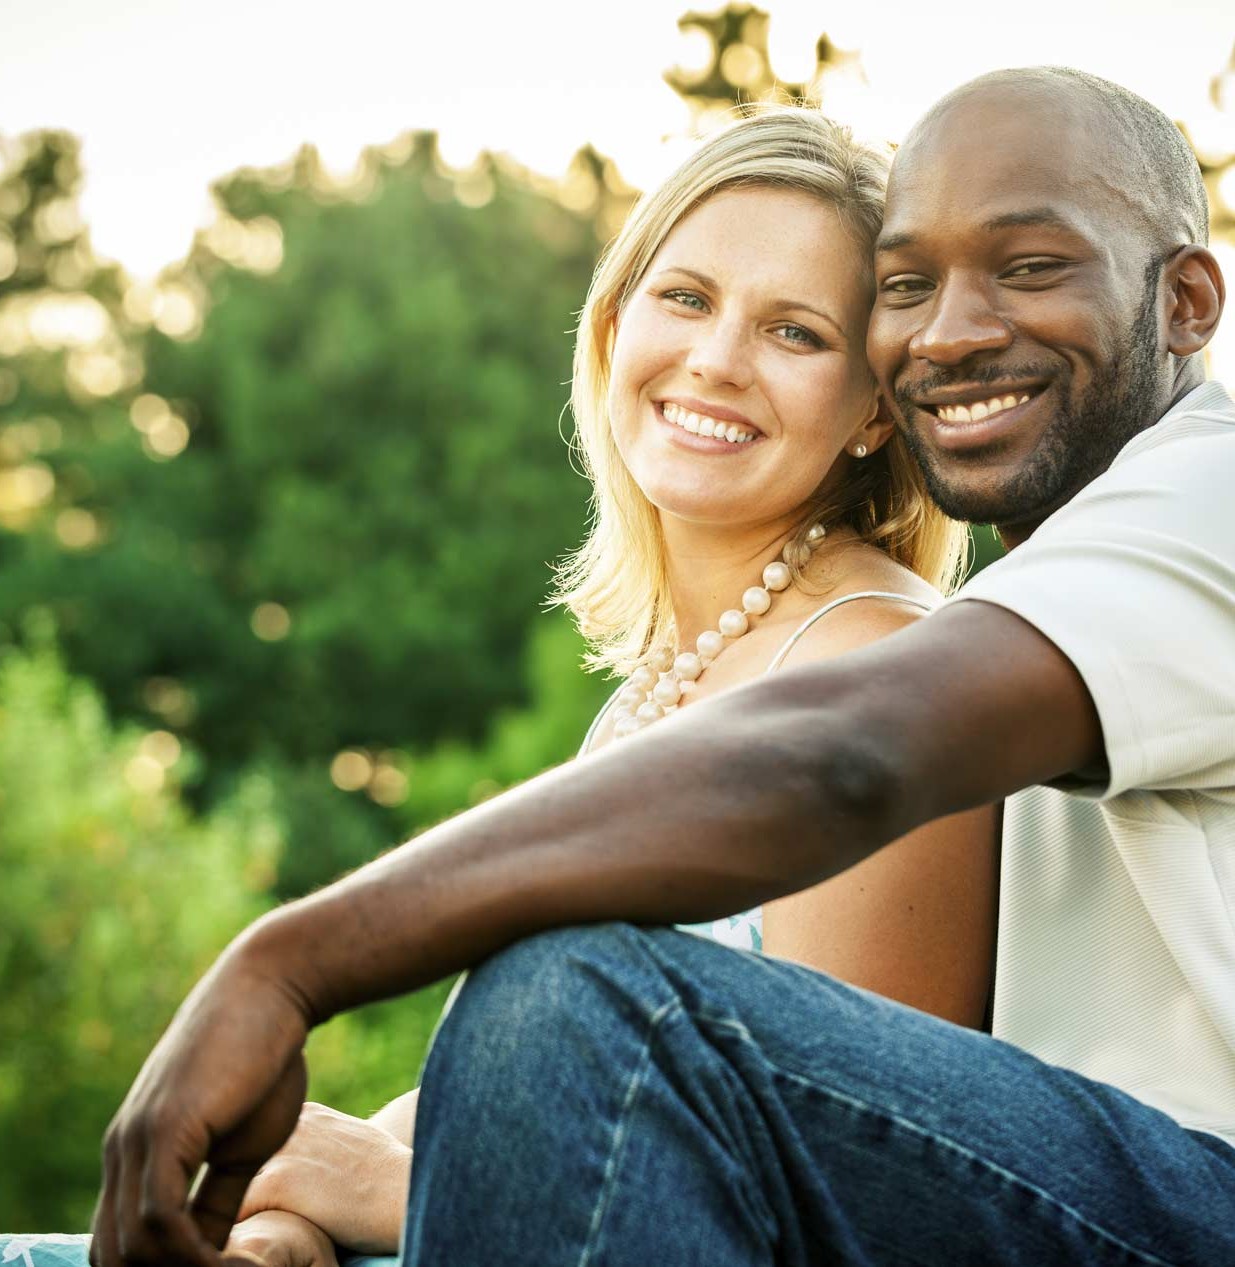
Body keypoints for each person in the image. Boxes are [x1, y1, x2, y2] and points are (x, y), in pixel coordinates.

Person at [90, 64, 1235, 1266]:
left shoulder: (1200, 502)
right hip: (1088, 1192)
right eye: (909, 286)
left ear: (1186, 301)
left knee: (582, 1000)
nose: (950, 330)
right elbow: (421, 1135)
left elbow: (844, 761)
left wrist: (289, 964)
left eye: (1031, 265)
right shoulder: (1025, 596)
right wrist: (291, 1218)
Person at [223, 108, 998, 1261]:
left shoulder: (879, 671)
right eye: (684, 297)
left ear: (875, 410)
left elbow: (853, 1187)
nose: (716, 360)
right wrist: (288, 1205)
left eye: (793, 330)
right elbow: (491, 1089)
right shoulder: (657, 684)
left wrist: (400, 1192)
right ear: (611, 322)